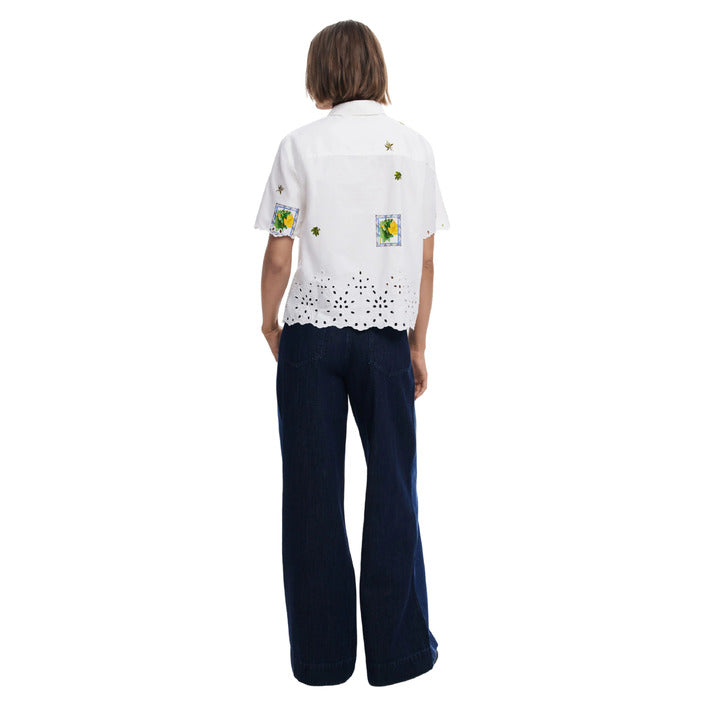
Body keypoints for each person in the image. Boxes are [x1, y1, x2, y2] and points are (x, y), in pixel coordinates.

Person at [254, 19, 450, 687]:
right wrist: (417, 342)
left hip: (309, 337)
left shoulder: (299, 146)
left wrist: (269, 322)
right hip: (386, 338)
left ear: (320, 74)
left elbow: (279, 251)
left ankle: (323, 660)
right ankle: (399, 655)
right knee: (394, 488)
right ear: (376, 68)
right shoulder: (414, 149)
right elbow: (425, 260)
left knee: (311, 496)